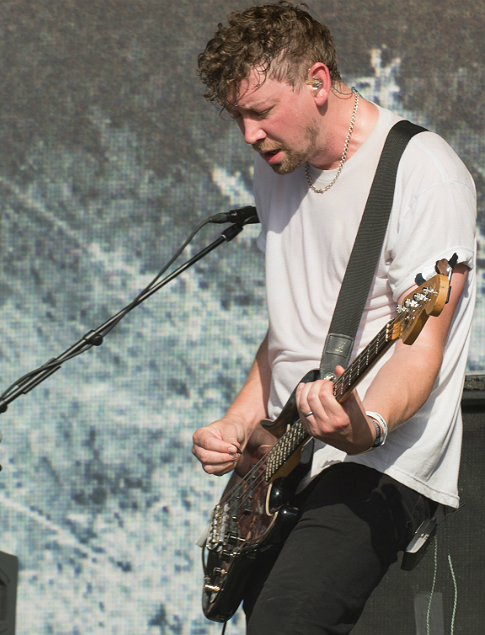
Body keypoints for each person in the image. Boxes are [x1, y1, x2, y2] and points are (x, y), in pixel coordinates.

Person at [191, 3, 477, 633]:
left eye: (260, 112)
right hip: (287, 461)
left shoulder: (422, 172)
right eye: (236, 116)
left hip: (380, 461)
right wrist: (239, 425)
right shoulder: (276, 173)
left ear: (317, 82)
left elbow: (421, 345)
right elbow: (290, 329)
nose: (248, 134)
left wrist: (364, 423)